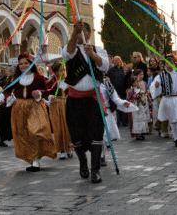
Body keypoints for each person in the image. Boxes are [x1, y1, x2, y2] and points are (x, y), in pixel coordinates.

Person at [63, 21, 109, 183]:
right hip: (74, 101)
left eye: (81, 32)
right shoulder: (70, 48)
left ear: (88, 34)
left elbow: (104, 66)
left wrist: (93, 55)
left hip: (92, 99)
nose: (79, 35)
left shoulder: (99, 50)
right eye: (76, 33)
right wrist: (74, 33)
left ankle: (95, 169)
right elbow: (67, 54)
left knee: (96, 133)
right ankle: (83, 163)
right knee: (76, 135)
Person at [10, 53, 55, 171]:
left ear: (31, 64)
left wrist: (39, 93)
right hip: (19, 107)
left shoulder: (39, 77)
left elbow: (46, 91)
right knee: (24, 133)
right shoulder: (16, 78)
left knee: (35, 131)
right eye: (21, 64)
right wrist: (7, 98)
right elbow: (7, 90)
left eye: (26, 63)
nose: (23, 66)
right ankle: (33, 160)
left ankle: (36, 159)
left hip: (34, 106)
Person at [150, 53, 177, 149]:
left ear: (174, 63)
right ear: (164, 65)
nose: (169, 65)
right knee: (173, 120)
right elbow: (153, 87)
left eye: (171, 62)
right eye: (167, 63)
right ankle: (176, 139)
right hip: (168, 99)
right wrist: (157, 86)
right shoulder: (161, 76)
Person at [47, 61, 73, 160]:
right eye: (60, 71)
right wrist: (50, 97)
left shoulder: (69, 81)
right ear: (56, 72)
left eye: (64, 70)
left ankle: (68, 148)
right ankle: (61, 150)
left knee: (67, 126)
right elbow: (46, 93)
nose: (63, 72)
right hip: (55, 106)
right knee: (58, 127)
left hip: (67, 105)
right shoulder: (51, 83)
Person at [127, 69, 151, 139]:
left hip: (140, 107)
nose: (138, 83)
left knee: (141, 119)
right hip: (134, 108)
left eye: (138, 81)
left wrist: (143, 99)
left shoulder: (139, 89)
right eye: (136, 82)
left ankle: (141, 133)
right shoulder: (130, 90)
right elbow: (128, 99)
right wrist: (135, 99)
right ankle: (137, 134)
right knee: (136, 121)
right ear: (132, 83)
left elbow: (144, 95)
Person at [106, 56, 128, 127]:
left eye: (117, 60)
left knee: (124, 105)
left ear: (120, 60)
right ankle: (117, 122)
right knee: (116, 107)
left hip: (123, 91)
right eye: (114, 60)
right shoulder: (111, 70)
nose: (115, 62)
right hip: (114, 91)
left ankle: (124, 122)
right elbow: (107, 78)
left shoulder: (123, 69)